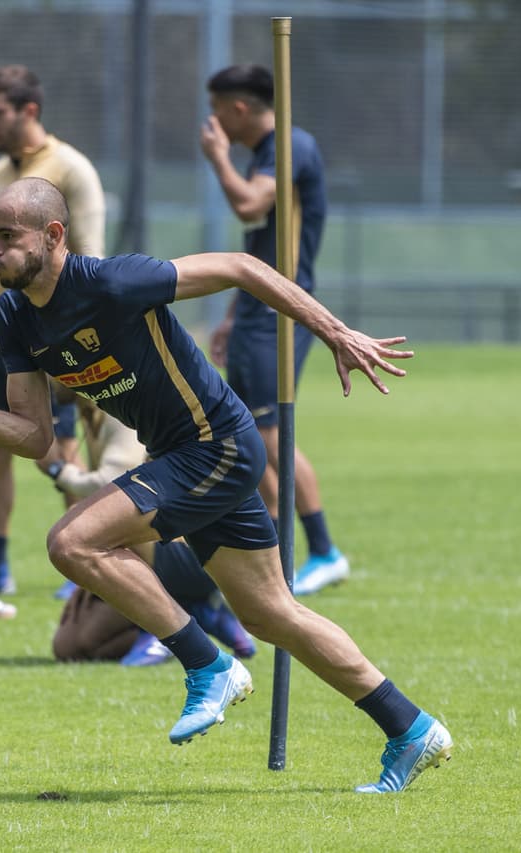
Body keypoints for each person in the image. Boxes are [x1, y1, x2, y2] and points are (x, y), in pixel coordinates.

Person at [0, 177, 452, 794]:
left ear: (53, 235)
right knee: (272, 614)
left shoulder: (114, 282)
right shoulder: (14, 314)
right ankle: (411, 728)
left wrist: (335, 331)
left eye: (8, 238)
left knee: (71, 543)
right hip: (183, 456)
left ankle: (206, 664)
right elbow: (37, 436)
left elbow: (241, 266)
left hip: (216, 445)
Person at [0, 65, 106, 598]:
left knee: (61, 448)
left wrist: (73, 336)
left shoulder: (71, 169)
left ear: (28, 111)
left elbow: (90, 258)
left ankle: (87, 564)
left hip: (51, 338)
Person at [198, 64, 346, 596]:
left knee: (266, 435)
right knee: (244, 433)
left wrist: (217, 158)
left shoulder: (290, 147)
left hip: (280, 313)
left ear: (238, 108)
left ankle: (323, 551)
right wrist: (233, 314)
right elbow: (261, 248)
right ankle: (269, 560)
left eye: (217, 109)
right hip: (255, 311)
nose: (212, 121)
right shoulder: (264, 154)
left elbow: (248, 205)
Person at [43, 392, 255, 665]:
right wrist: (87, 575)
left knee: (101, 522)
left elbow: (114, 485)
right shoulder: (89, 413)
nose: (47, 379)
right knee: (70, 646)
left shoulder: (119, 409)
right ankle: (196, 618)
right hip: (149, 551)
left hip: (187, 549)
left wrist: (59, 471)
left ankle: (162, 632)